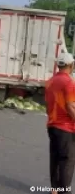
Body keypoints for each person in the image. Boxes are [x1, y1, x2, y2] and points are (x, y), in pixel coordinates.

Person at [45, 52, 75, 194]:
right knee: (67, 160)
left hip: (52, 125)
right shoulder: (68, 82)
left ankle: (55, 189)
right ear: (70, 65)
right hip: (66, 127)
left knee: (55, 158)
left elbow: (47, 105)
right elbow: (70, 106)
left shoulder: (50, 81)